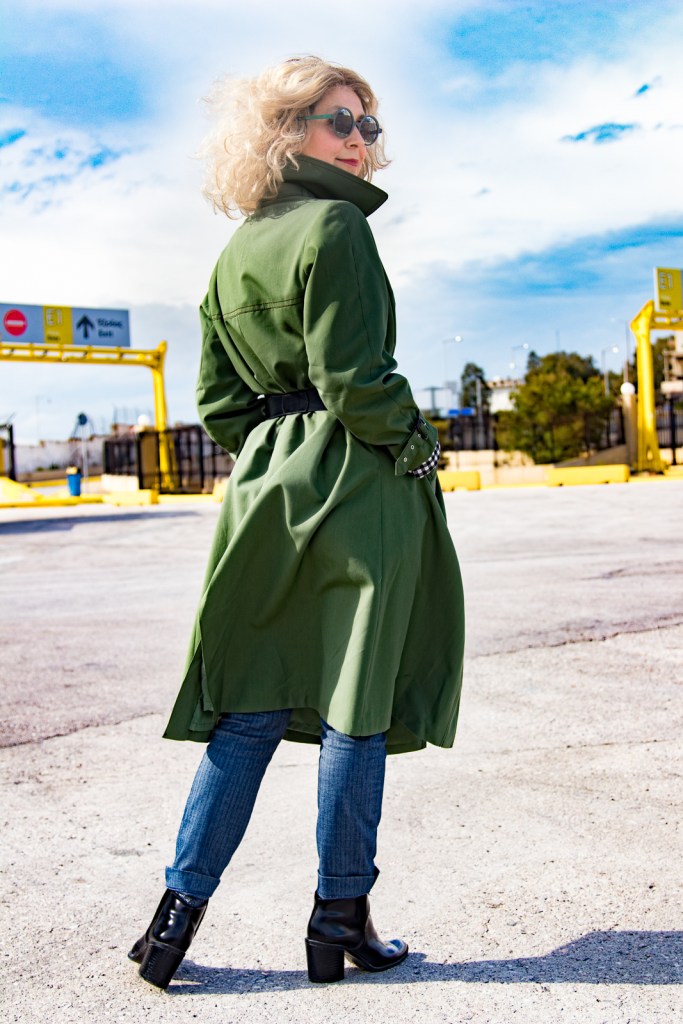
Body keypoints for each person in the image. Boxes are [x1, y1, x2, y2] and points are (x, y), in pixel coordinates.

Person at [129, 55, 465, 989]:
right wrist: (418, 450)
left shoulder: (235, 251)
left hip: (267, 493)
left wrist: (279, 456)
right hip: (358, 487)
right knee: (356, 705)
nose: (359, 143)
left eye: (367, 126)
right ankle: (336, 921)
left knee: (249, 710)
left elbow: (217, 404)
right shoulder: (337, 231)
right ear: (285, 133)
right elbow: (359, 384)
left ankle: (172, 921)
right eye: (337, 122)